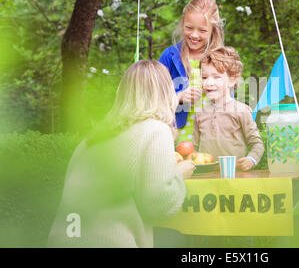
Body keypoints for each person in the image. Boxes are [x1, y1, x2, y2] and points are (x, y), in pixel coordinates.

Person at [47, 60, 195, 248]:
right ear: (166, 93)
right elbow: (158, 205)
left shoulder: (92, 138)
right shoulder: (156, 130)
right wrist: (178, 175)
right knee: (177, 239)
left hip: (62, 240)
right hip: (106, 242)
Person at [158, 0, 224, 143]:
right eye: (189, 28)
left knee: (208, 162)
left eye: (202, 30)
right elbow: (155, 97)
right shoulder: (169, 56)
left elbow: (228, 96)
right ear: (182, 25)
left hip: (212, 134)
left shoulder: (220, 58)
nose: (194, 35)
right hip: (177, 133)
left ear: (213, 30)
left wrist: (215, 91)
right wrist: (179, 96)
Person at [194, 46, 264, 171]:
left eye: (216, 77)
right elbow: (193, 149)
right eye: (204, 77)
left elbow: (257, 144)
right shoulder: (200, 114)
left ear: (232, 80)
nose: (209, 83)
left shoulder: (241, 110)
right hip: (206, 178)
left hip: (235, 176)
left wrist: (251, 159)